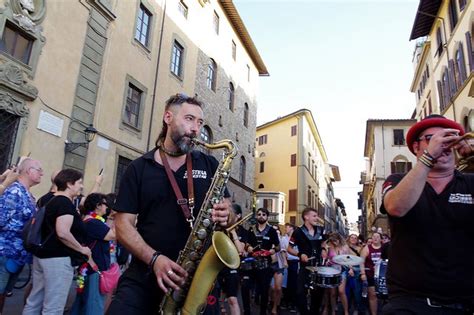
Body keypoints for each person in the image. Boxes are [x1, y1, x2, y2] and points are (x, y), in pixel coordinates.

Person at [107, 94, 232, 314]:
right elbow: (122, 225)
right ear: (168, 118)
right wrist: (154, 259)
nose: (196, 129)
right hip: (145, 273)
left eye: (200, 123)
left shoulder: (209, 164)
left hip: (196, 279)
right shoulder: (139, 168)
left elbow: (229, 213)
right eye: (189, 119)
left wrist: (227, 214)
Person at [380, 115, 474, 314]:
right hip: (408, 303)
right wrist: (429, 157)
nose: (441, 144)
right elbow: (396, 207)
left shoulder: (470, 182)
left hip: (465, 303)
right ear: (416, 148)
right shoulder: (397, 180)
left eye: (449, 138)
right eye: (431, 138)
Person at [23, 169, 91, 315]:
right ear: (69, 184)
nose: (81, 186)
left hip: (41, 255)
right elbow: (63, 232)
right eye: (79, 183)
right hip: (57, 259)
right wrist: (81, 249)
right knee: (53, 306)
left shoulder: (49, 199)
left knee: (34, 301)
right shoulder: (64, 203)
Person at [0, 158, 43, 313]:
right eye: (39, 170)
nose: (42, 173)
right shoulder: (15, 192)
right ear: (28, 170)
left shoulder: (27, 195)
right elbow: (1, 219)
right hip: (5, 252)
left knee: (3, 293)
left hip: (16, 254)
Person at [71, 193, 116, 315]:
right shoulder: (93, 223)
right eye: (105, 204)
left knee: (82, 303)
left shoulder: (90, 220)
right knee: (94, 304)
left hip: (89, 268)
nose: (107, 208)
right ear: (98, 206)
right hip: (94, 269)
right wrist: (115, 217)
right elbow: (113, 235)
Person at [287, 207, 325, 315]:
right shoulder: (298, 232)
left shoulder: (321, 230)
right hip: (305, 266)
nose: (317, 218)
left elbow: (323, 243)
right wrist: (300, 254)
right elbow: (289, 248)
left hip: (318, 266)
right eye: (314, 216)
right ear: (306, 217)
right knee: (300, 292)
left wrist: (323, 249)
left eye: (316, 216)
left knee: (317, 293)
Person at [245, 208, 280, 315]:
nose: (261, 216)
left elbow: (278, 247)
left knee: (264, 291)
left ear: (267, 216)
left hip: (265, 264)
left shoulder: (272, 230)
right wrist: (249, 247)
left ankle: (263, 312)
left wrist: (272, 251)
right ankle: (247, 311)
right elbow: (246, 243)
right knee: (246, 288)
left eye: (263, 214)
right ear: (256, 216)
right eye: (259, 214)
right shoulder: (251, 229)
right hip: (251, 263)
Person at [217, 203, 247, 315]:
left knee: (232, 299)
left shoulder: (242, 231)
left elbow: (240, 250)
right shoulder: (219, 228)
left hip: (232, 267)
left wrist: (233, 232)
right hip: (218, 266)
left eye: (230, 212)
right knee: (215, 300)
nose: (226, 214)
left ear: (238, 216)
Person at [325, 232, 350, 315]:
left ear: (339, 239)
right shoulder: (330, 247)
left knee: (341, 291)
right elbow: (327, 258)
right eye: (333, 241)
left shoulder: (345, 247)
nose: (335, 242)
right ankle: (333, 311)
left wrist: (350, 268)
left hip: (342, 270)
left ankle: (346, 311)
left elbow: (349, 259)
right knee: (332, 293)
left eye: (335, 240)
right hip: (332, 269)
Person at [360, 232, 382, 315]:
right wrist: (363, 273)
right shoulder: (367, 248)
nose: (375, 238)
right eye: (374, 236)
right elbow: (361, 261)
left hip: (382, 275)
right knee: (372, 295)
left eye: (377, 236)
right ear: (371, 238)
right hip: (370, 275)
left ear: (380, 239)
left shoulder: (385, 247)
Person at [271, 225, 288, 315]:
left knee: (278, 288)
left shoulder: (280, 239)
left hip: (279, 265)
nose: (275, 232)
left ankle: (275, 307)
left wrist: (285, 262)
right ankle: (271, 302)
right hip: (269, 265)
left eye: (277, 230)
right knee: (271, 288)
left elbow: (283, 250)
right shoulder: (267, 238)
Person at [345, 234, 364, 314]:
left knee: (357, 291)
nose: (353, 239)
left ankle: (357, 308)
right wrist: (350, 268)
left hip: (357, 270)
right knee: (347, 292)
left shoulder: (360, 248)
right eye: (351, 237)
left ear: (357, 240)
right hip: (347, 269)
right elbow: (344, 259)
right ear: (349, 238)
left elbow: (361, 261)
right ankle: (347, 308)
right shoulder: (345, 248)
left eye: (355, 238)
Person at [282, 223, 298, 312]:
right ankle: (286, 301)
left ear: (291, 228)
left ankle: (293, 303)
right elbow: (283, 250)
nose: (285, 229)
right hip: (287, 261)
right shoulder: (284, 239)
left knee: (293, 283)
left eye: (287, 227)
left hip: (295, 262)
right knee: (285, 283)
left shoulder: (297, 238)